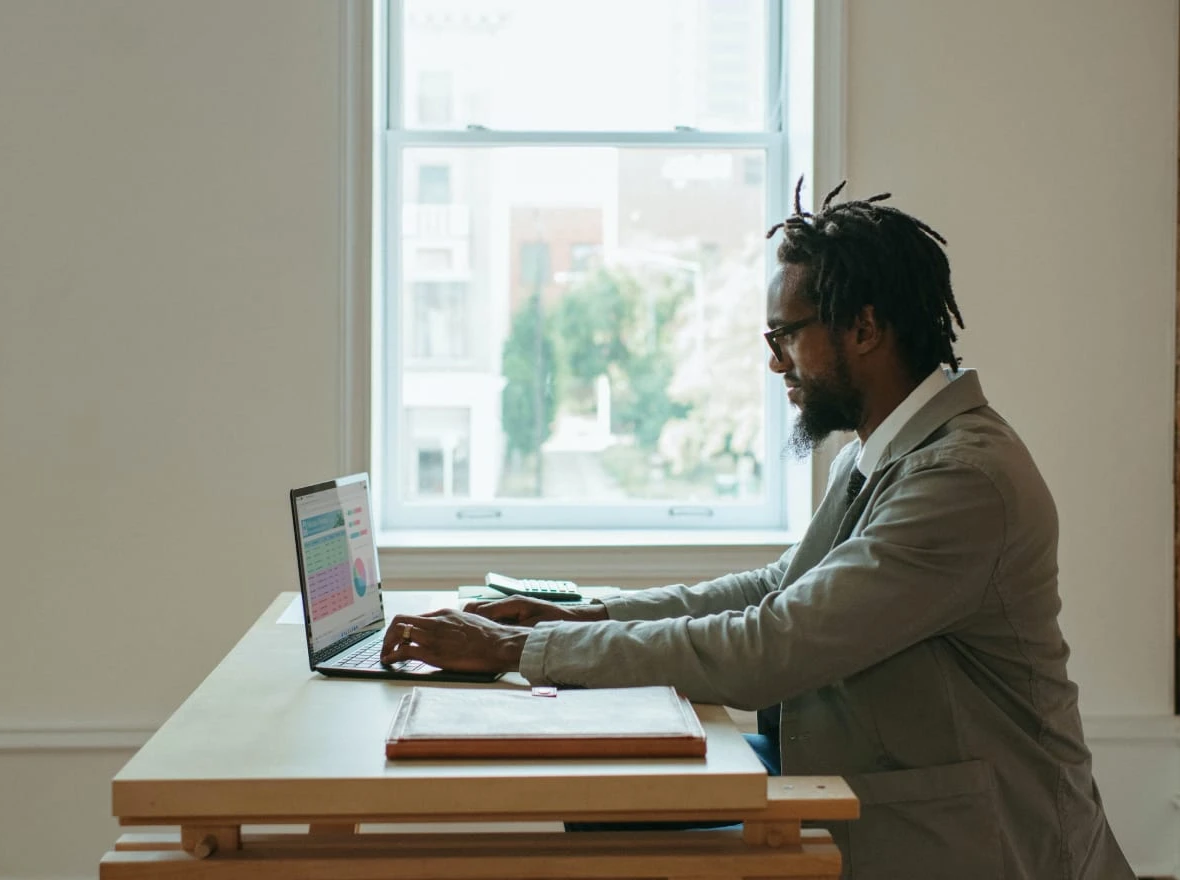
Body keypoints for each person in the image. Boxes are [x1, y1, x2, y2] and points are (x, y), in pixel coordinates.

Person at [381, 180, 1136, 880]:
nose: (777, 364)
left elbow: (776, 643)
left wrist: (523, 649)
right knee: (608, 811)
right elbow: (779, 587)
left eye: (785, 337)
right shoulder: (884, 448)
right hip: (875, 779)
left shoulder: (963, 481)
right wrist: (584, 616)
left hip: (984, 841)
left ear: (865, 328)